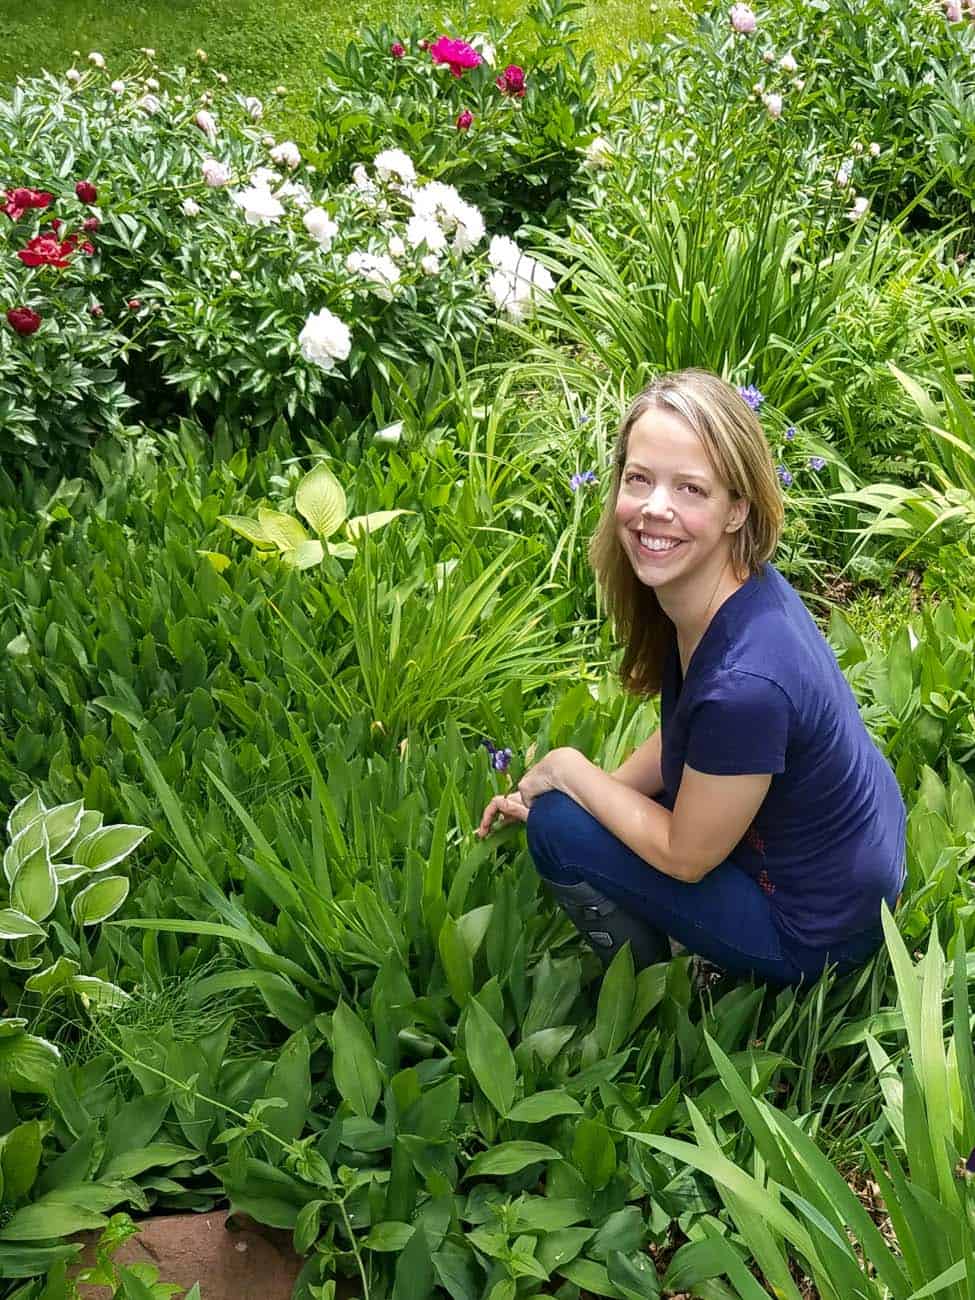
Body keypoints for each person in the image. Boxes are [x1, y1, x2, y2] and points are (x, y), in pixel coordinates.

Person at [476, 369, 906, 985]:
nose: (655, 507)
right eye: (639, 478)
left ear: (737, 509)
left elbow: (686, 857)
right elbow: (692, 734)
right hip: (851, 861)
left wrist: (568, 775)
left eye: (691, 490)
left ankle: (650, 985)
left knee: (560, 830)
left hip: (819, 933)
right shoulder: (733, 588)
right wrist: (595, 788)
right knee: (574, 806)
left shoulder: (745, 684)